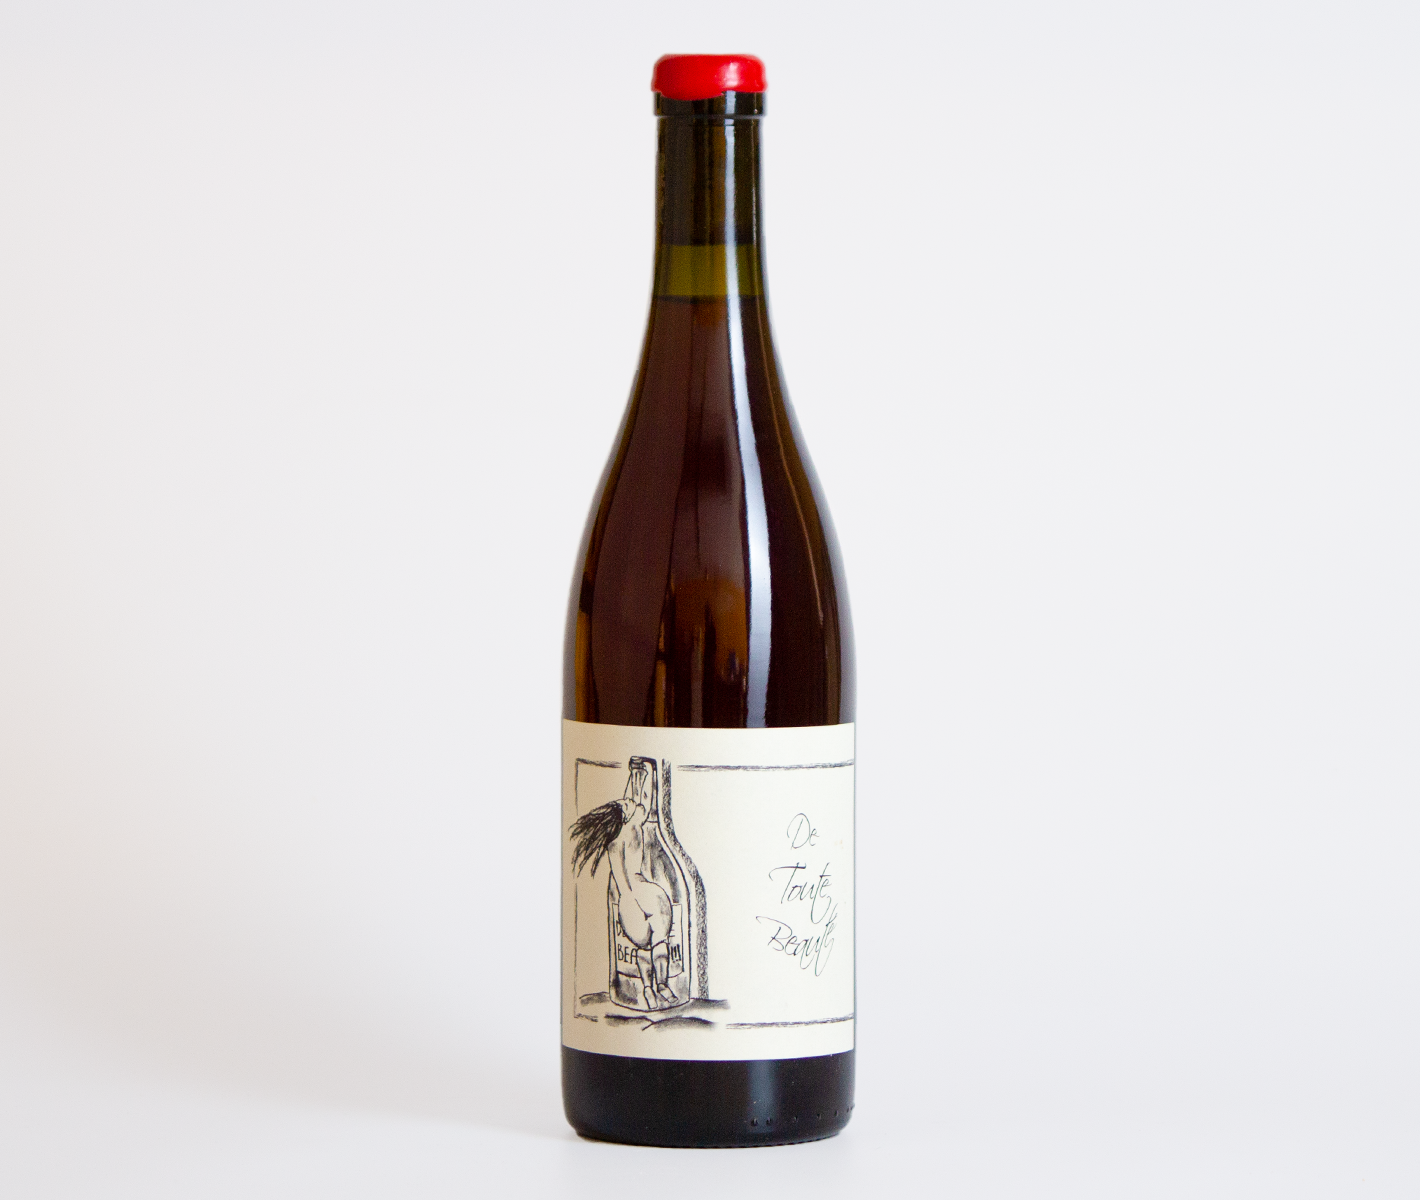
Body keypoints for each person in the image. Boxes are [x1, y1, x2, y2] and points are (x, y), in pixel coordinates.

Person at [570, 757, 680, 1010]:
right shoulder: (633, 826)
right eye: (626, 805)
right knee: (660, 941)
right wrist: (644, 775)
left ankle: (648, 990)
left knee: (642, 947)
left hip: (626, 902)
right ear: (624, 816)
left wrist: (634, 776)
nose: (630, 802)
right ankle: (663, 986)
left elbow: (631, 802)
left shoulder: (613, 841)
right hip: (646, 892)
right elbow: (642, 805)